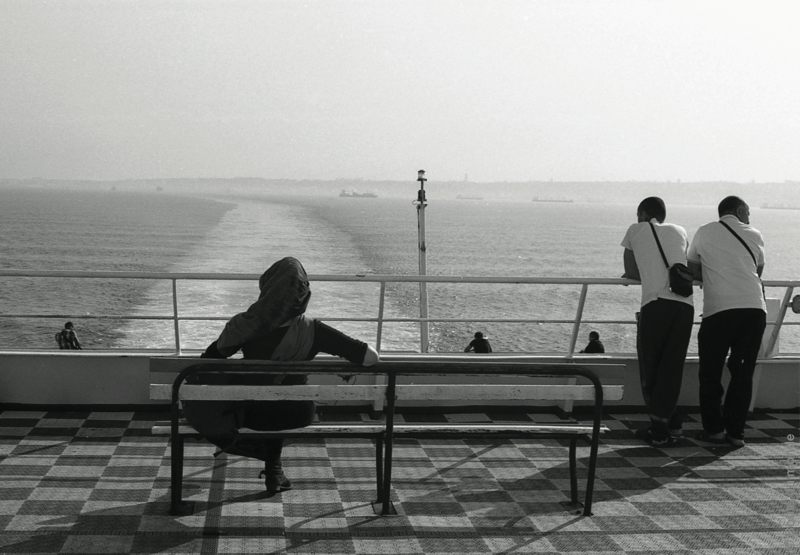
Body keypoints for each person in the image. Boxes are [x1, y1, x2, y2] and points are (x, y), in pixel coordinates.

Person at [189, 257, 380, 494]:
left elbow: (207, 362)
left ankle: (269, 463)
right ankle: (274, 469)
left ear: (267, 288)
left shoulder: (245, 325)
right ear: (303, 294)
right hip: (297, 413)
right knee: (280, 400)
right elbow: (371, 357)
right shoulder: (314, 330)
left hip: (250, 413)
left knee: (264, 400)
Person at [687, 196, 766, 448]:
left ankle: (714, 431)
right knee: (742, 373)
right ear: (740, 210)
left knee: (710, 372)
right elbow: (758, 271)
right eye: (748, 212)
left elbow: (693, 269)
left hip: (719, 311)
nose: (749, 218)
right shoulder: (754, 234)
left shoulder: (704, 231)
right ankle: (736, 433)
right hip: (754, 310)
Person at [621, 197, 694, 447]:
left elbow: (631, 272)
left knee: (651, 367)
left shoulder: (635, 230)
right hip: (685, 306)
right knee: (672, 366)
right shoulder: (680, 230)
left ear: (642, 214)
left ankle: (659, 430)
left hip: (655, 304)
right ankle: (671, 422)